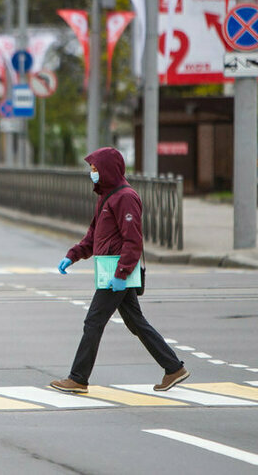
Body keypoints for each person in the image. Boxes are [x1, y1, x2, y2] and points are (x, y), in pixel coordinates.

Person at [50, 147, 188, 394]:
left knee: (93, 321)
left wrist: (121, 274)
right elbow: (94, 236)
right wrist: (72, 255)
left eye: (95, 169)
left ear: (108, 170)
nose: (92, 173)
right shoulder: (106, 196)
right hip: (112, 273)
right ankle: (173, 368)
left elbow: (133, 240)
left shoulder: (125, 197)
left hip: (117, 274)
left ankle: (78, 378)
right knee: (136, 322)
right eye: (91, 169)